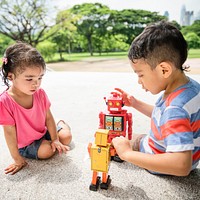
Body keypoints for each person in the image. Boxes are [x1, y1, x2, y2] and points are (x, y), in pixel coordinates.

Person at [112, 20, 200, 176]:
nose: (139, 81)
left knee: (119, 141)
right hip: (174, 149)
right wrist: (135, 103)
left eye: (141, 74)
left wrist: (127, 154)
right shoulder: (190, 88)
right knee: (133, 138)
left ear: (164, 70)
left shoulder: (175, 108)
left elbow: (181, 165)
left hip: (161, 159)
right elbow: (164, 117)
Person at [0, 42, 72, 175]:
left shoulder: (40, 93)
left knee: (66, 137)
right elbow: (9, 134)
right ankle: (49, 140)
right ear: (11, 76)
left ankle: (60, 123)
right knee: (47, 152)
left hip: (42, 130)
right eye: (29, 79)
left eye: (40, 78)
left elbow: (48, 117)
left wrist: (55, 139)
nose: (36, 83)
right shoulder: (5, 101)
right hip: (27, 144)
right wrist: (17, 159)